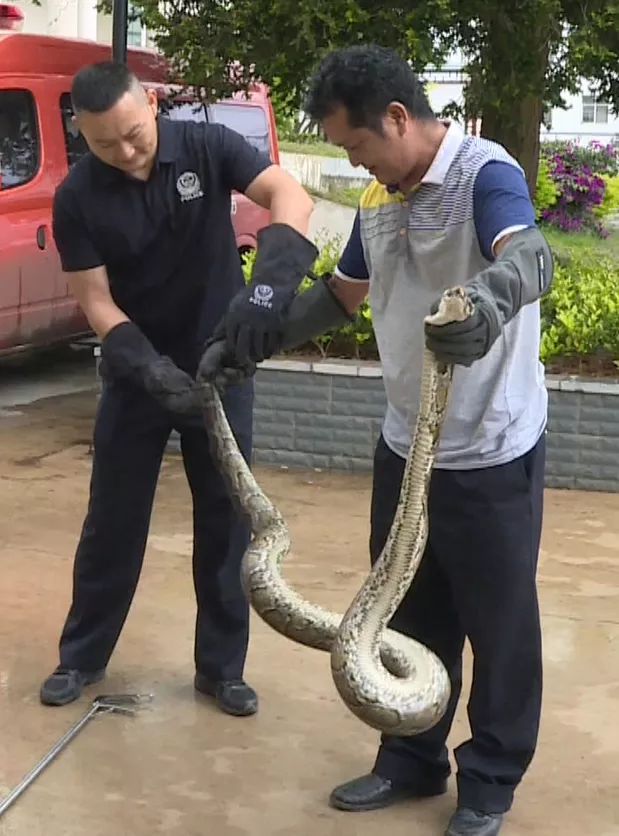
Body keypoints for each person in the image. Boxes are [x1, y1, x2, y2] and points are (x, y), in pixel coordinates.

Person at [200, 44, 553, 836]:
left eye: (357, 145)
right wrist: (257, 336)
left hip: (489, 448)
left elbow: (527, 255)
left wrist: (492, 301)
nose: (356, 160)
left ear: (397, 117)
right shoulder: (380, 198)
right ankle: (408, 759)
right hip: (405, 446)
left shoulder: (484, 173)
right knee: (403, 614)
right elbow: (344, 294)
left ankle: (490, 779)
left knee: (498, 625)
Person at [41, 61, 317, 716]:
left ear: (151, 108)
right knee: (113, 520)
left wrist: (266, 293)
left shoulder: (207, 144)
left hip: (222, 369)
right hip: (138, 375)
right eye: (107, 144)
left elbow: (290, 197)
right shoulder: (79, 195)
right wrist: (144, 366)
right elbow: (95, 301)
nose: (127, 152)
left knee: (225, 525)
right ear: (84, 136)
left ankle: (221, 670)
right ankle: (80, 657)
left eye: (135, 134)